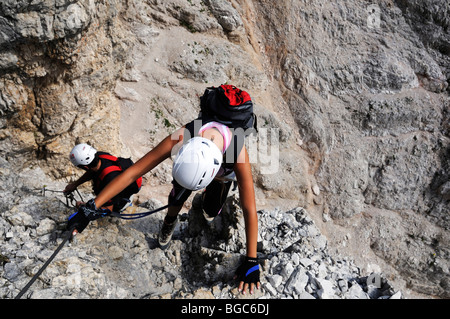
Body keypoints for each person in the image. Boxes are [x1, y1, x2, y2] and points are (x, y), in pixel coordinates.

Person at [70, 91, 261, 295]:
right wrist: (92, 207)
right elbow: (133, 172)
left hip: (222, 175)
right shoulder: (186, 133)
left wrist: (251, 260)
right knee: (177, 197)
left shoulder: (238, 152)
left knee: (211, 211)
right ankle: (170, 222)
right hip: (195, 166)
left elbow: (249, 208)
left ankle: (208, 197)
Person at [65, 143, 142, 233]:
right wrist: (75, 184)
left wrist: (86, 208)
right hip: (120, 186)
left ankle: (123, 206)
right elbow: (91, 171)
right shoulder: (99, 156)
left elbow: (108, 209)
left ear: (85, 167)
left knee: (113, 207)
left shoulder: (109, 181)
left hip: (119, 198)